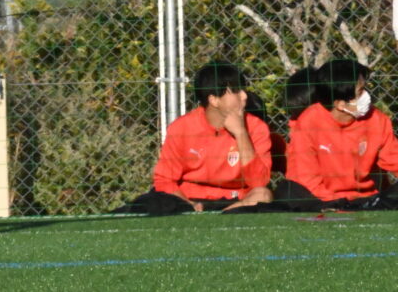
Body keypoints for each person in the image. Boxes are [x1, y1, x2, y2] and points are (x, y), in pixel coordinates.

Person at [115, 61, 273, 214]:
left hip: (236, 200)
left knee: (264, 196)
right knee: (152, 201)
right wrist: (191, 205)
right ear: (214, 100)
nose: (244, 96)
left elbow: (259, 182)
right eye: (236, 90)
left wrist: (241, 133)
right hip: (188, 200)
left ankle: (224, 215)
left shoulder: (256, 127)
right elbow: (164, 180)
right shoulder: (182, 127)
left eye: (243, 90)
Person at [281, 58, 398, 210]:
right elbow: (306, 178)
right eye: (361, 91)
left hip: (366, 200)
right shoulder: (308, 122)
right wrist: (337, 204)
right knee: (288, 191)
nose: (367, 96)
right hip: (323, 200)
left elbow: (394, 158)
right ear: (340, 104)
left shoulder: (377, 119)